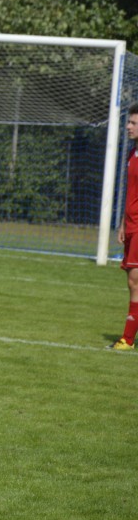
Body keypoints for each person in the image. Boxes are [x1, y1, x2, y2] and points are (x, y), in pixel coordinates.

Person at [109, 104, 138, 350]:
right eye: (129, 122)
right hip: (130, 225)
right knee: (132, 282)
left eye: (133, 123)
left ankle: (127, 339)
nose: (128, 126)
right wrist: (122, 223)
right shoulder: (132, 153)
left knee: (135, 281)